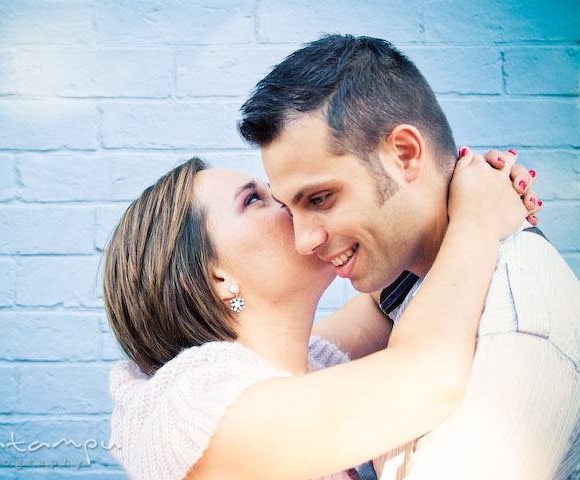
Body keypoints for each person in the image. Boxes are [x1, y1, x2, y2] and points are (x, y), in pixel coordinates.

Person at [238, 34, 580, 479]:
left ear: (404, 154)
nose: (304, 240)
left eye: (321, 198)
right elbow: (287, 370)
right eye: (289, 206)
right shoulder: (409, 285)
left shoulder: (515, 333)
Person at [104, 150, 536, 479]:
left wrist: (459, 195)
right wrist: (476, 221)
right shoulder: (194, 414)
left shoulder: (298, 364)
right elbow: (427, 375)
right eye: (255, 200)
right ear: (214, 278)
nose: (287, 201)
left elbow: (386, 300)